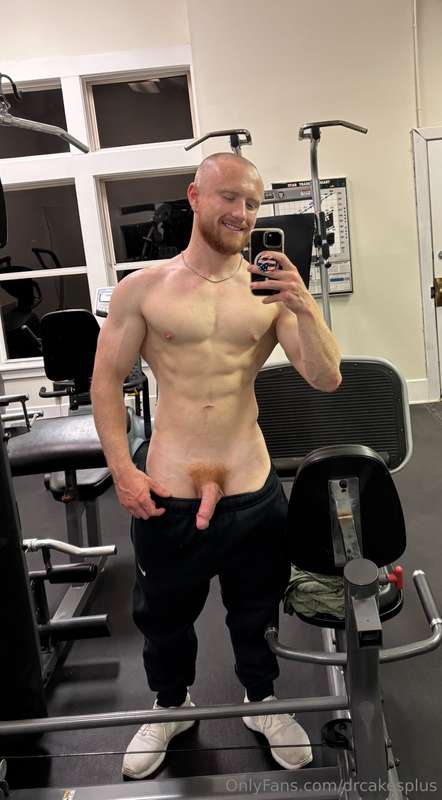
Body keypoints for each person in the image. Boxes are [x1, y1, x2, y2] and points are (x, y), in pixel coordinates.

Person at [91, 152, 342, 780]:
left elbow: (326, 377)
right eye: (229, 196)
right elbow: (106, 380)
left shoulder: (268, 292)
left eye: (252, 202)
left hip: (251, 487)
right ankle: (170, 706)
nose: (242, 212)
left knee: (256, 610)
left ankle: (262, 701)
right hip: (168, 490)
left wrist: (304, 304)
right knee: (163, 617)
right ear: (195, 196)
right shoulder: (144, 289)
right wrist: (123, 469)